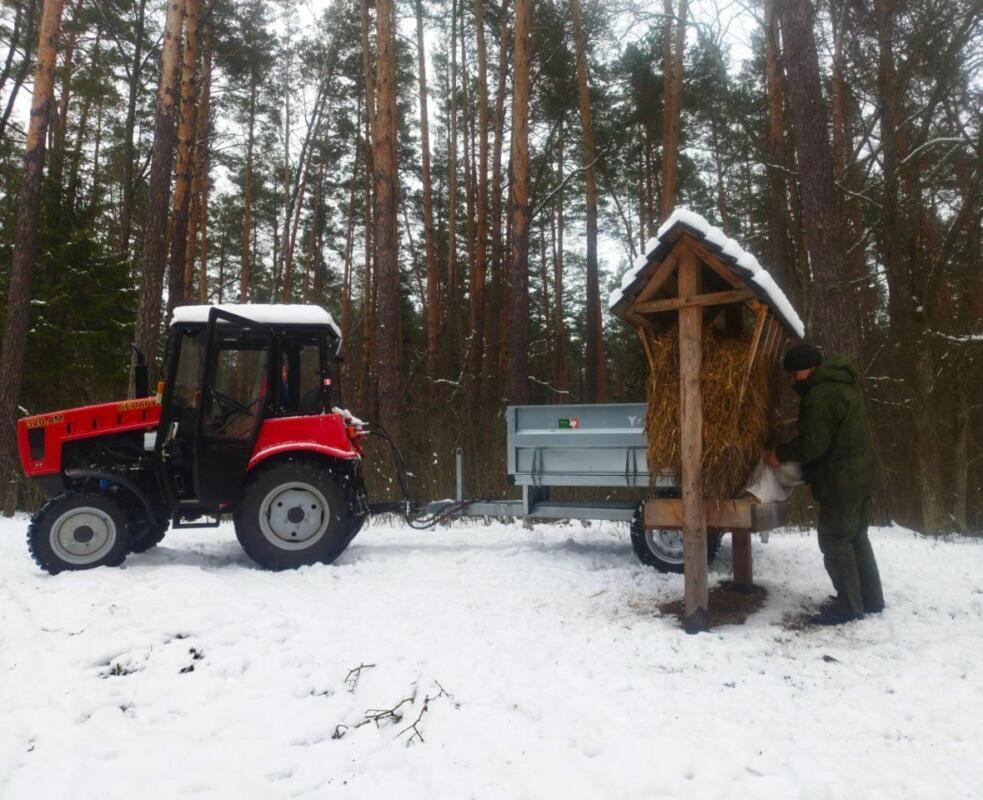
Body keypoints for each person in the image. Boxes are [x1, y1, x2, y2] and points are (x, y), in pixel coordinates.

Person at [766, 343, 885, 625]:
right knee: (856, 538)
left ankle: (848, 605)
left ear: (812, 369)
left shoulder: (819, 395)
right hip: (863, 477)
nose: (793, 382)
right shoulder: (841, 384)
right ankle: (871, 600)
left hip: (842, 482)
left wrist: (780, 454)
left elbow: (813, 445)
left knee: (834, 540)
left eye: (796, 375)